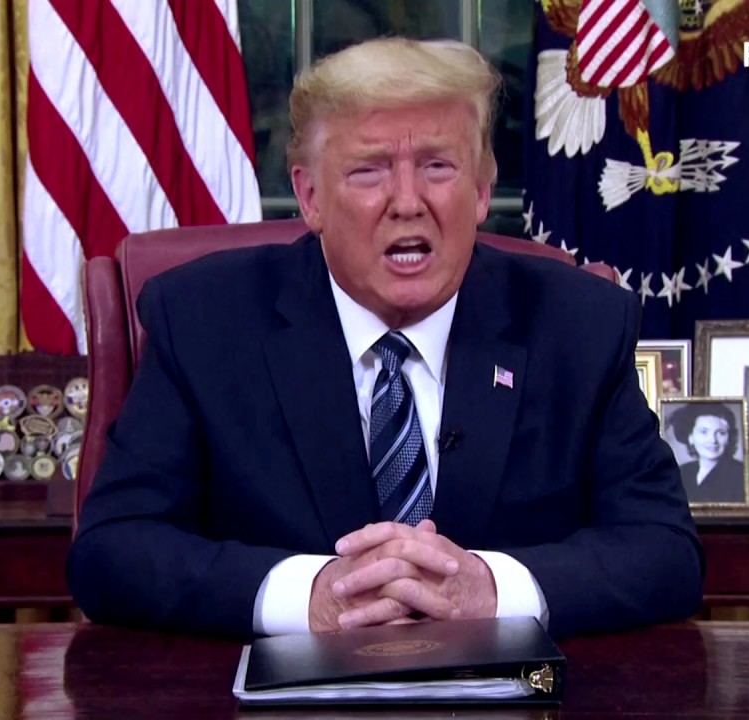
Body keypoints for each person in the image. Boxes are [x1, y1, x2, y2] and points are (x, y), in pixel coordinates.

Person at [66, 38, 703, 641]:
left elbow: (665, 552)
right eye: (369, 171)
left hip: (518, 693)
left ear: (482, 189)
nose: (407, 202)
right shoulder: (205, 321)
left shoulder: (578, 325)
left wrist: (489, 589)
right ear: (310, 197)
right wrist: (311, 595)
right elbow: (112, 550)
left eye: (437, 166)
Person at [670, 404, 747, 504]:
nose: (713, 440)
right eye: (704, 432)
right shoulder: (682, 471)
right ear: (690, 437)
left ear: (730, 438)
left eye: (721, 433)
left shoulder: (740, 474)